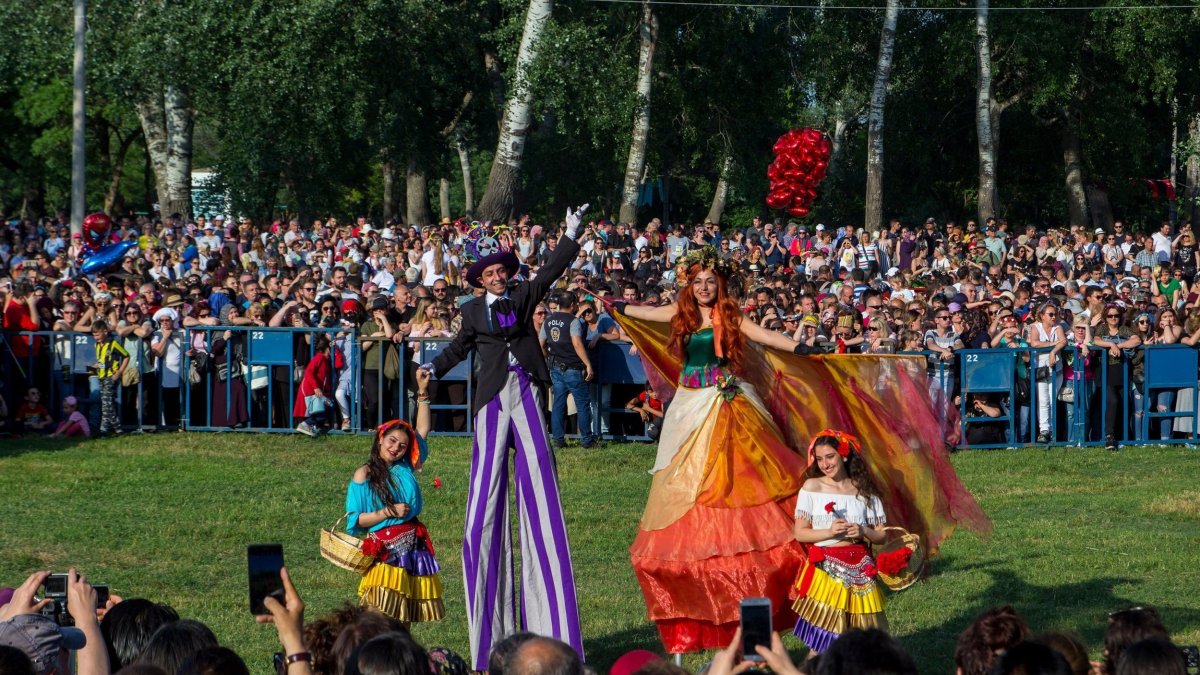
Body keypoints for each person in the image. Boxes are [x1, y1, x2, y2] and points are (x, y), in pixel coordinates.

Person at [609, 245, 814, 654]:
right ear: (691, 285)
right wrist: (617, 305)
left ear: (719, 285)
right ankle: (703, 562)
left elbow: (763, 335)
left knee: (740, 475)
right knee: (690, 480)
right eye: (698, 282)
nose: (704, 288)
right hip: (691, 402)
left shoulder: (731, 316)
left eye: (710, 282)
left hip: (728, 401)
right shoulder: (679, 314)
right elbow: (640, 314)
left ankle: (759, 559)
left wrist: (799, 347)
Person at [424, 207, 588, 670]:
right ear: (479, 280)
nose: (496, 278)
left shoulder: (523, 294)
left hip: (528, 389)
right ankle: (491, 638)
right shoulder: (472, 311)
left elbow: (553, 271)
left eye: (501, 271)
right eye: (489, 273)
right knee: (486, 499)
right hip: (493, 398)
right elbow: (459, 347)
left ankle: (554, 628)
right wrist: (432, 368)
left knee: (539, 486)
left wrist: (570, 234)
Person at [345, 368, 443, 624]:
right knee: (378, 618)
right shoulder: (363, 475)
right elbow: (354, 519)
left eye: (401, 445)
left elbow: (421, 431)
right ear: (380, 440)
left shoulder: (404, 466)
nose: (396, 448)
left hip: (413, 549)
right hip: (384, 551)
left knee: (403, 621)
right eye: (391, 441)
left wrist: (422, 393)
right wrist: (388, 512)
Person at [789, 430, 888, 653]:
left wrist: (863, 531)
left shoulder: (864, 490)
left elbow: (882, 535)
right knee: (824, 640)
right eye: (820, 458)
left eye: (830, 456)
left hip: (861, 570)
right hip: (827, 569)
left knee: (867, 640)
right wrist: (829, 532)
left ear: (843, 455)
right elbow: (801, 533)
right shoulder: (811, 487)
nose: (825, 464)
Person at [539, 291, 595, 448]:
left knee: (558, 404)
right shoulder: (573, 321)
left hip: (555, 367)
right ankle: (587, 440)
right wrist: (588, 364)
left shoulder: (548, 321)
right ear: (573, 305)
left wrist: (548, 355)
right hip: (573, 367)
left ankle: (558, 439)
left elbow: (541, 343)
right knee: (582, 404)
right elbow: (577, 343)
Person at [91, 319, 129, 436]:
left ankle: (118, 429)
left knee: (107, 404)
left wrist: (119, 372)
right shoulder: (97, 345)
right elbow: (102, 361)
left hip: (111, 377)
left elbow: (126, 356)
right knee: (106, 404)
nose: (96, 337)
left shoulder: (113, 344)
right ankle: (104, 430)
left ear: (105, 332)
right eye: (94, 335)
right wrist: (96, 365)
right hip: (101, 376)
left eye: (97, 335)